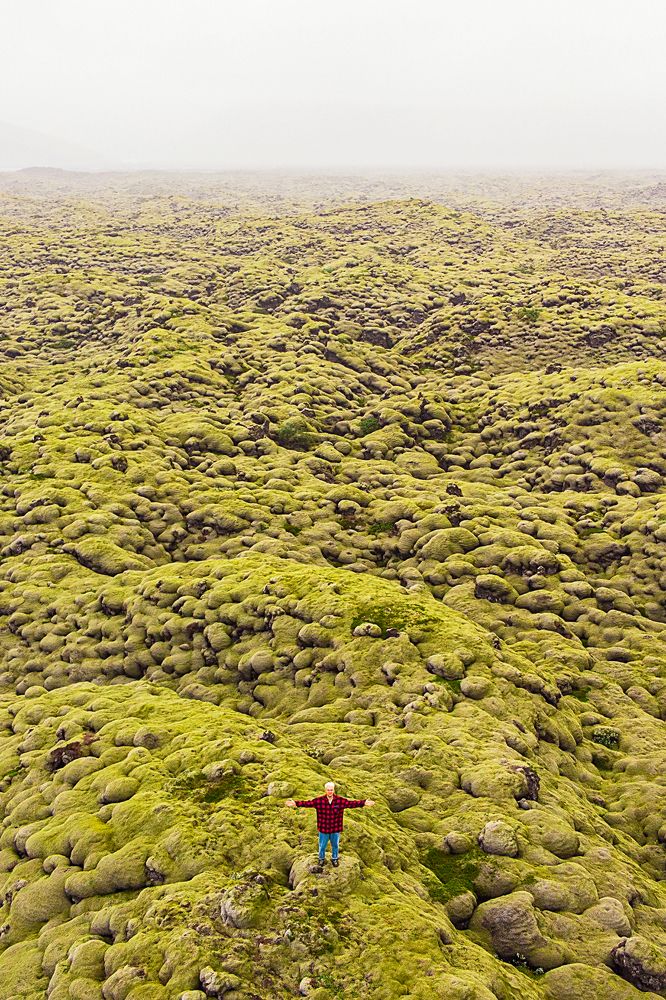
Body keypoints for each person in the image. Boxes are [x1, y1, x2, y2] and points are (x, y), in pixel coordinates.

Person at [285, 781, 375, 866]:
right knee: (322, 846)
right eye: (328, 790)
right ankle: (321, 858)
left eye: (331, 790)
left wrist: (364, 803)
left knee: (335, 845)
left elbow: (352, 803)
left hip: (335, 828)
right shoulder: (319, 801)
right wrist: (295, 803)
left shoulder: (340, 801)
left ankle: (334, 858)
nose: (330, 791)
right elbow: (308, 803)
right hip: (323, 829)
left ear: (333, 790)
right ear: (325, 790)